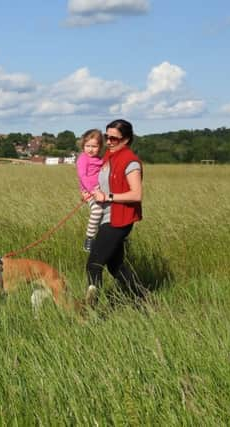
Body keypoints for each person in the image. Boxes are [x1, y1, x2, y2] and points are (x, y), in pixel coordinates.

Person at [85, 119, 144, 307]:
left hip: (119, 219)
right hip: (107, 216)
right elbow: (102, 184)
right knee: (116, 266)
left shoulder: (131, 162)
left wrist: (107, 196)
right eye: (106, 136)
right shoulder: (109, 157)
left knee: (93, 265)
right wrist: (91, 193)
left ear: (125, 140)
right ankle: (144, 302)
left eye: (114, 138)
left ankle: (91, 311)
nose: (108, 141)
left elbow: (136, 194)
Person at [76, 129, 105, 252]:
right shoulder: (83, 158)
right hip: (90, 191)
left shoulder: (100, 159)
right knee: (97, 210)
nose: (91, 149)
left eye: (94, 146)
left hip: (102, 190)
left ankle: (102, 238)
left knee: (106, 215)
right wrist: (92, 191)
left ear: (100, 147)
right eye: (88, 146)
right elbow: (83, 177)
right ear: (83, 146)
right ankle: (89, 238)